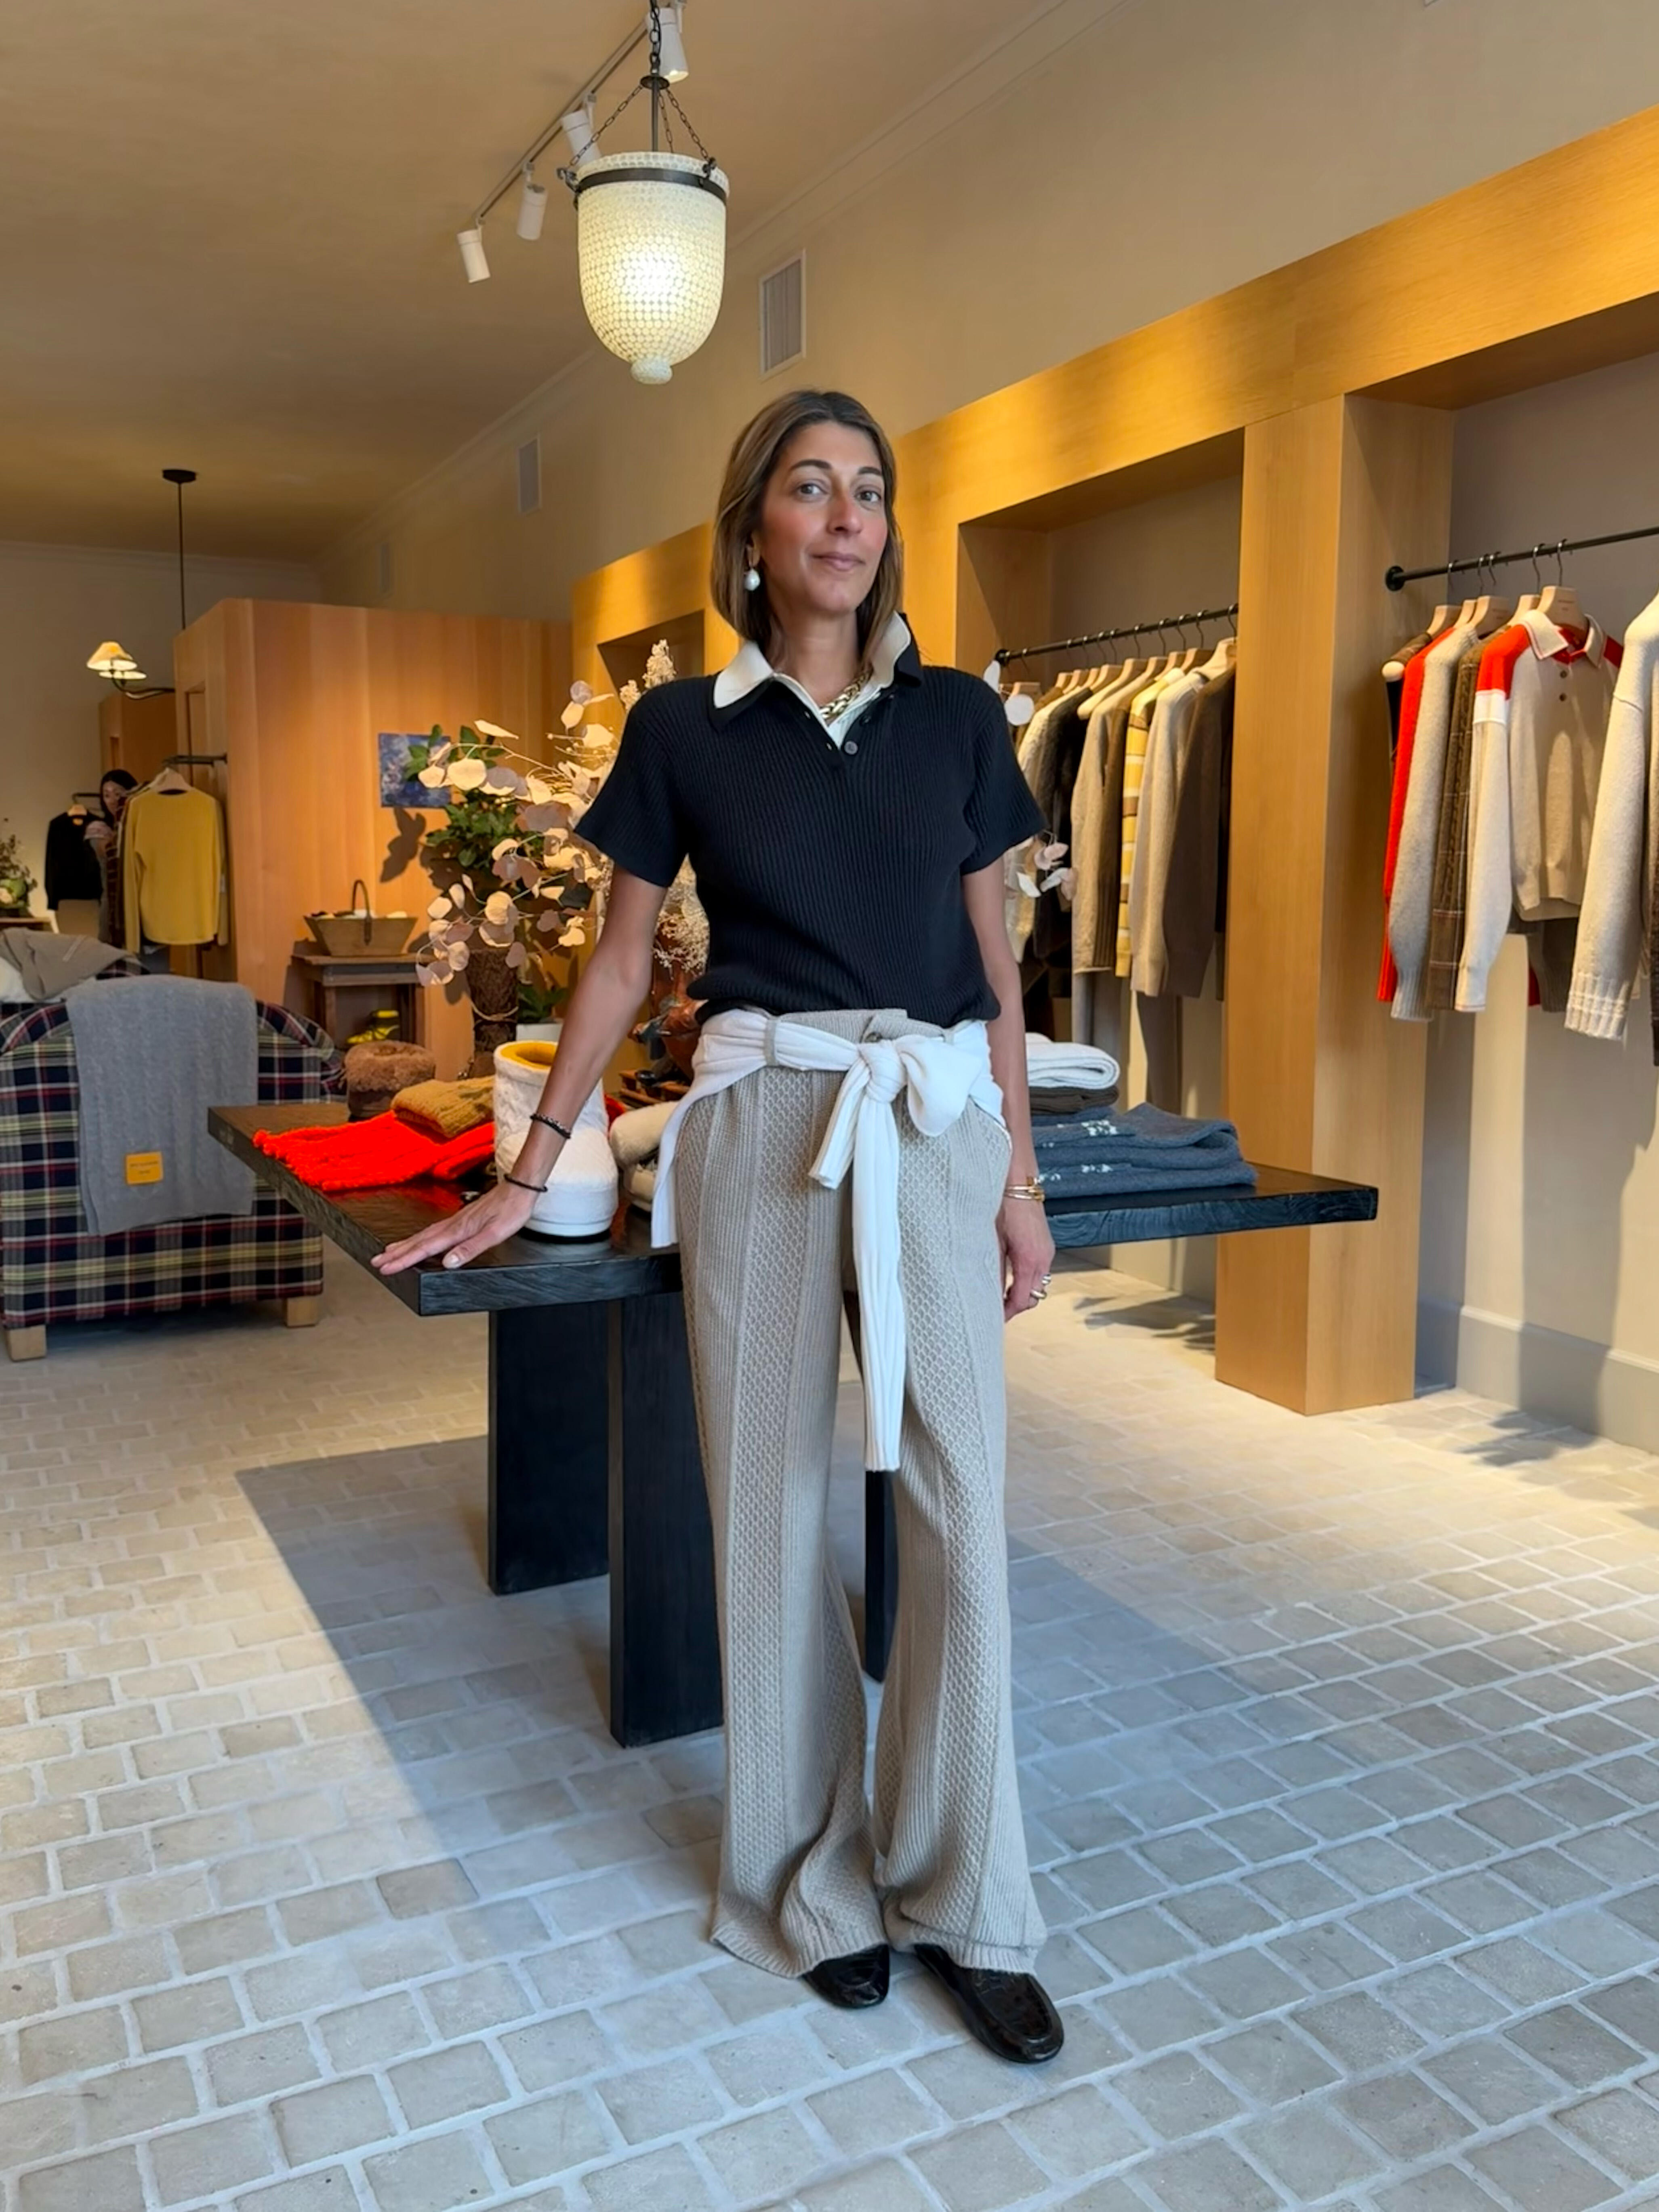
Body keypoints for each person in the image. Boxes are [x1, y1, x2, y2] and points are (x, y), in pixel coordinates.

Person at [377, 390, 1064, 2064]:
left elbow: (993, 967)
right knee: (765, 1510)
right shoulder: (684, 726)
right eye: (810, 488)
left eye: (868, 490)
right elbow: (621, 962)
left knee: (960, 1516)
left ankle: (965, 1895)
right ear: (751, 529)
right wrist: (530, 1163)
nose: (845, 517)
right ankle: (810, 1882)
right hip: (760, 1123)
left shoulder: (959, 716)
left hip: (929, 1120)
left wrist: (1019, 1178)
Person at [84, 769, 137, 946]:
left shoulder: (140, 824)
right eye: (107, 795)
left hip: (141, 902)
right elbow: (107, 851)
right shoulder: (99, 828)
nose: (113, 801)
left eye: (118, 794)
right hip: (113, 905)